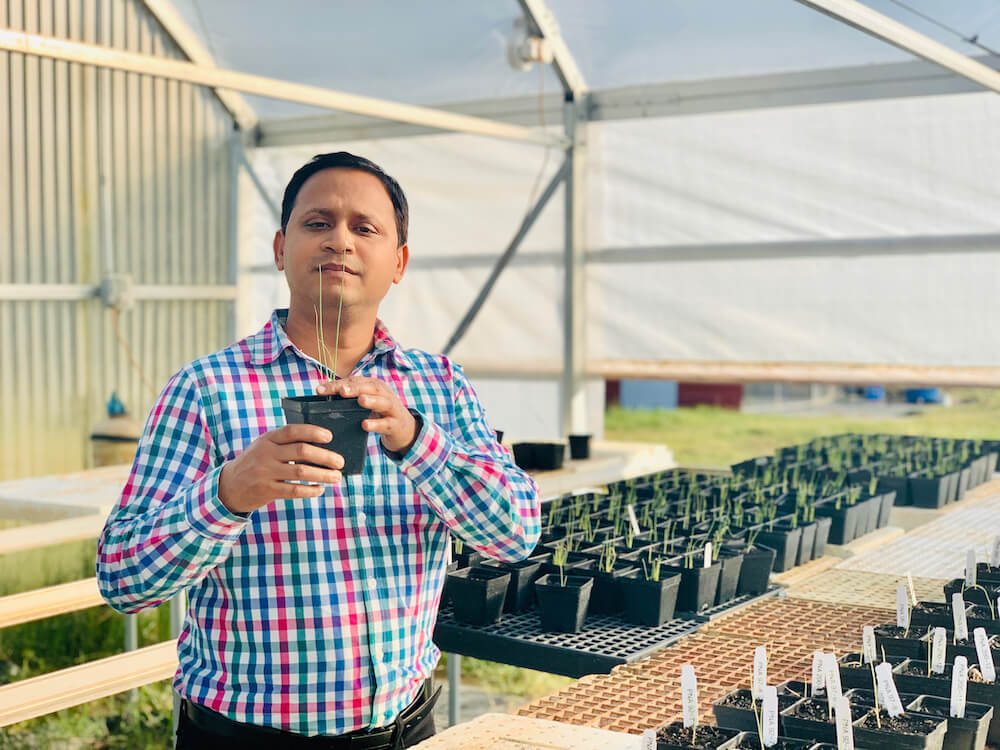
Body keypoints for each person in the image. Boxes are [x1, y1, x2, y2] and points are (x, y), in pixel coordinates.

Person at [96, 152, 541, 749]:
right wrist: (229, 494)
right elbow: (124, 577)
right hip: (244, 737)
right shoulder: (207, 389)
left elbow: (512, 533)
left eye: (365, 228)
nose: (340, 241)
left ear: (399, 262)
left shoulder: (440, 386)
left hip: (404, 731)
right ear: (281, 250)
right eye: (317, 223)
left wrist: (413, 438)